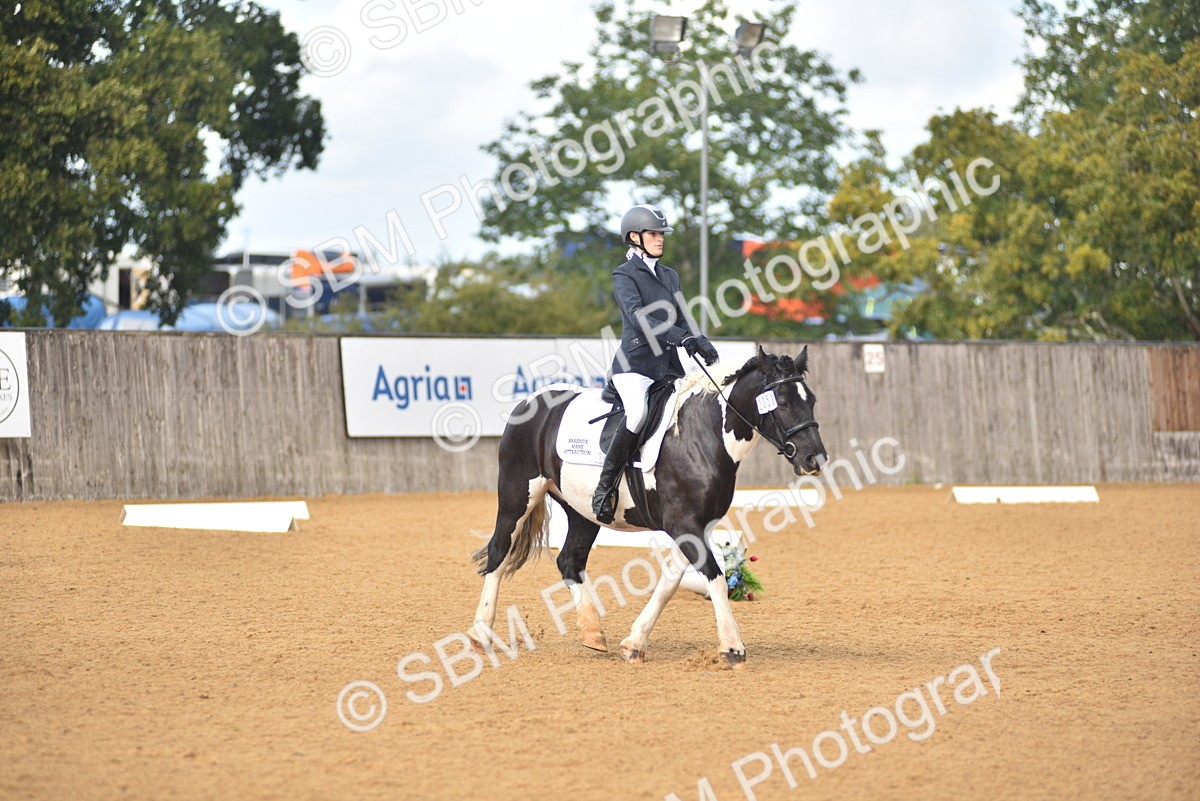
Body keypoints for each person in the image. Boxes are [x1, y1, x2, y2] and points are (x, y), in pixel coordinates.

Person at [591, 204, 720, 524]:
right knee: (638, 414)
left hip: (668, 367)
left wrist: (699, 340)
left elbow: (684, 316)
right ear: (634, 237)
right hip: (634, 364)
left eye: (661, 234)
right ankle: (604, 486)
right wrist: (681, 338)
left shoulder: (670, 275)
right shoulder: (624, 274)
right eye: (653, 234)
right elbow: (637, 319)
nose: (660, 239)